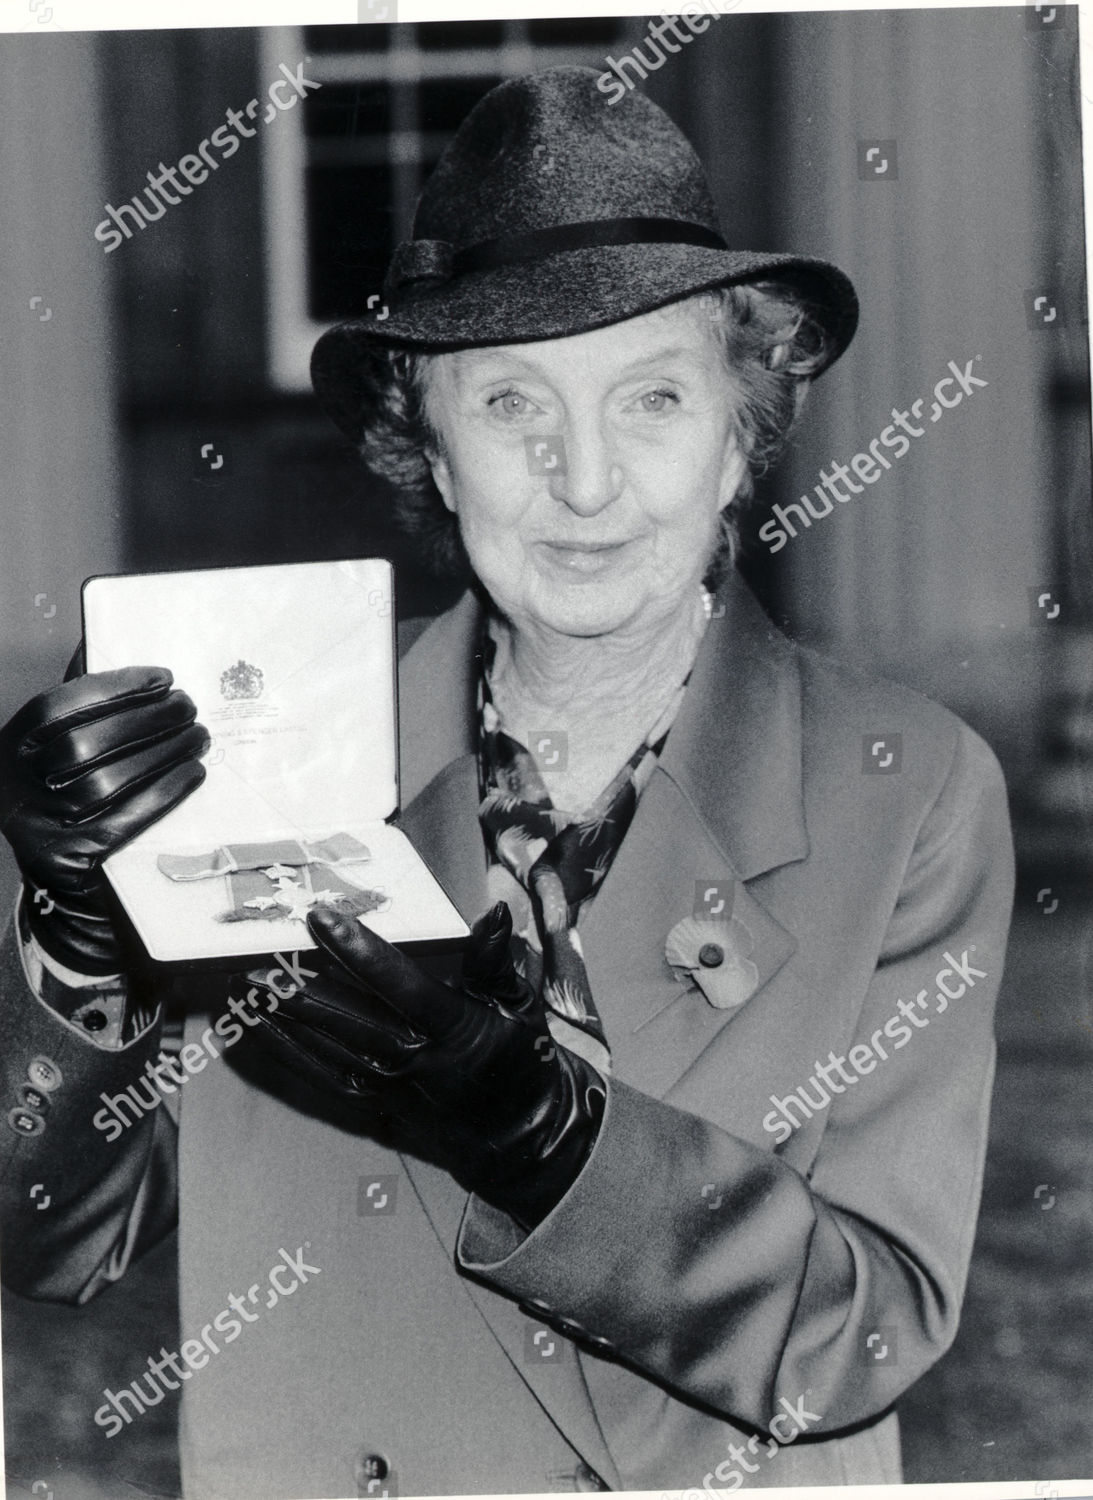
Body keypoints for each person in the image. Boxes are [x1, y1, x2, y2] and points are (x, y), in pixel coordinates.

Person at [0, 67, 1014, 1498]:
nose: (583, 480)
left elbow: (862, 1334)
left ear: (743, 434)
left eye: (653, 397)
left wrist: (542, 1142)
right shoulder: (270, 747)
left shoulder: (897, 790)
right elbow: (53, 1239)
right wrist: (73, 949)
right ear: (427, 443)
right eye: (510, 403)